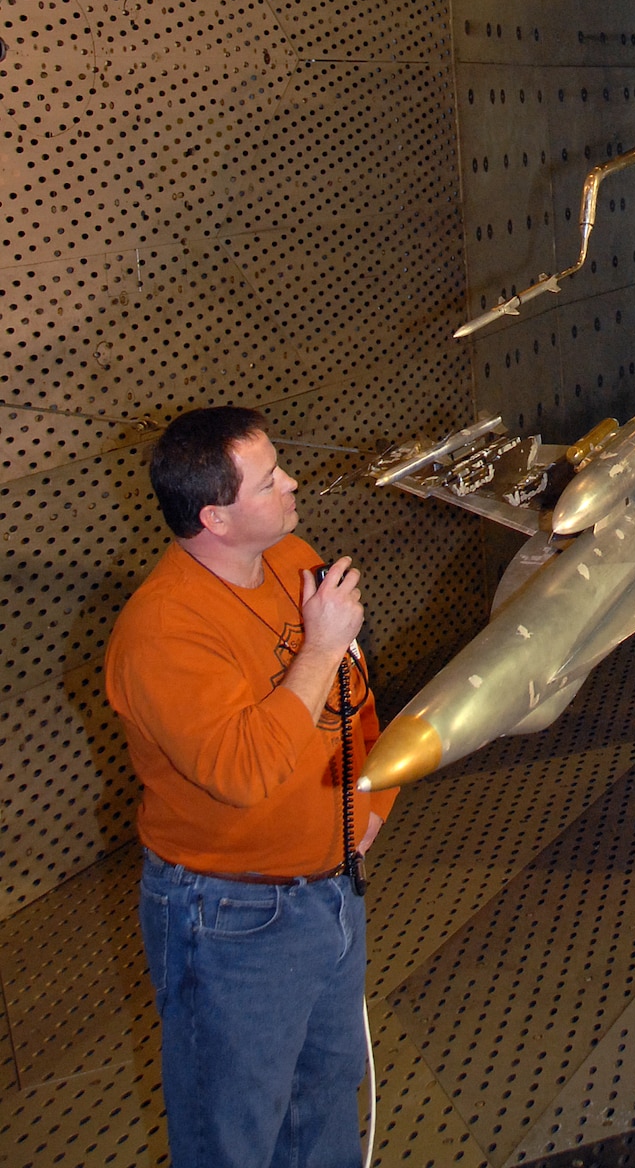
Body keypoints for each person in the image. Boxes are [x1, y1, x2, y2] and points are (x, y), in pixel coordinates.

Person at [105, 407, 398, 1168]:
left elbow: (352, 699)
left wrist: (368, 806)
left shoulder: (289, 558)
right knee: (233, 1129)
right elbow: (243, 772)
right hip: (231, 921)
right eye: (270, 480)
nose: (292, 482)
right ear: (215, 516)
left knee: (324, 1102)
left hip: (328, 893)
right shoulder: (163, 632)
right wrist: (321, 645)